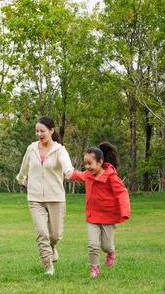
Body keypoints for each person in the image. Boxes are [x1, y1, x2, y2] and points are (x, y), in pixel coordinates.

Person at [16, 116, 74, 275]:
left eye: (42, 131)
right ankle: (48, 266)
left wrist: (69, 172)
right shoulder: (31, 149)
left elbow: (65, 163)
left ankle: (52, 246)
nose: (39, 134)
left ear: (51, 131)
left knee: (55, 235)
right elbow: (24, 167)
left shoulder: (59, 150)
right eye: (37, 131)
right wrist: (21, 178)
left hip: (55, 197)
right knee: (42, 232)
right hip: (35, 198)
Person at [68, 142, 131, 278]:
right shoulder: (88, 175)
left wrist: (124, 211)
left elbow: (122, 193)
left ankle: (111, 251)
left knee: (106, 246)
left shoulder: (111, 177)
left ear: (100, 162)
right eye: (85, 163)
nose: (87, 167)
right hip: (92, 216)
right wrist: (70, 175)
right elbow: (79, 175)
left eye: (90, 163)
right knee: (93, 245)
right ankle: (94, 269)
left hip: (108, 217)